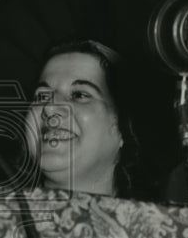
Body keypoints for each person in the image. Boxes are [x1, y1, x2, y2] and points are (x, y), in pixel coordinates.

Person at [24, 39, 142, 198]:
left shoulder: (166, 221)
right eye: (41, 96)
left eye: (79, 95)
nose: (50, 107)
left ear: (123, 127)